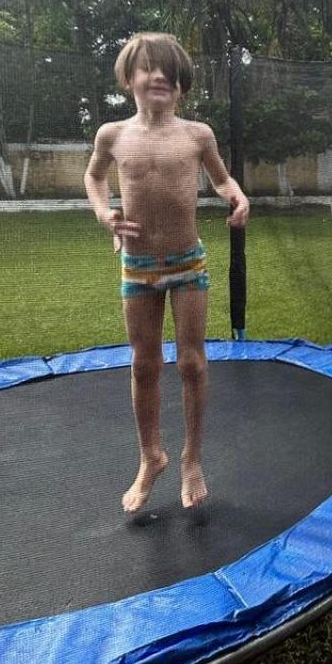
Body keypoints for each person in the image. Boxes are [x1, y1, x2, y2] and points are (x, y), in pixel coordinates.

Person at [84, 32, 249, 514]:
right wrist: (103, 212)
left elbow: (221, 179)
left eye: (169, 71)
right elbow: (93, 177)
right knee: (142, 363)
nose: (159, 76)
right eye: (148, 68)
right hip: (137, 264)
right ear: (128, 79)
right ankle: (149, 455)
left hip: (187, 262)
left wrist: (236, 196)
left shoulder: (197, 135)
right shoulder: (112, 135)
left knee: (192, 362)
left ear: (181, 84)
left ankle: (191, 459)